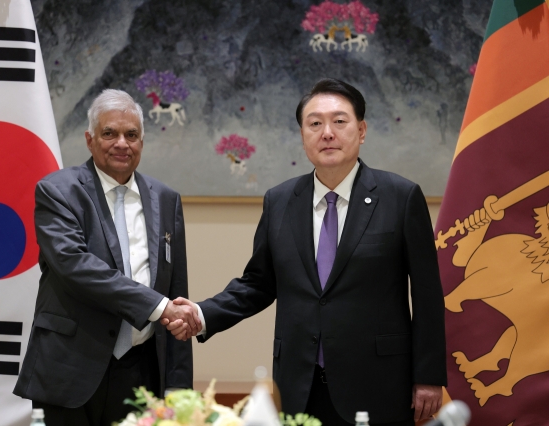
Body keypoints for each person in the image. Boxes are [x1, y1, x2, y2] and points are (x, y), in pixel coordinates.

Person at [164, 79, 446, 425]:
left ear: (361, 130)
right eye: (315, 123)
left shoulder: (400, 197)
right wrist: (203, 313)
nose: (327, 133)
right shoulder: (280, 201)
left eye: (339, 121)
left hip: (378, 383)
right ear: (302, 135)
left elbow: (428, 293)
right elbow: (257, 284)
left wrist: (429, 375)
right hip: (299, 384)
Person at [14, 89, 200, 426]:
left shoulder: (166, 199)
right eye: (109, 133)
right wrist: (159, 307)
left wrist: (179, 387)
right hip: (69, 368)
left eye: (131, 135)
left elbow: (177, 290)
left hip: (141, 371)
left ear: (142, 141)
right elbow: (76, 266)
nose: (121, 144)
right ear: (89, 139)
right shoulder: (58, 191)